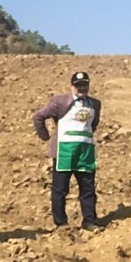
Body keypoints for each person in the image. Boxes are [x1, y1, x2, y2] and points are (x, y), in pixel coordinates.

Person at [32, 71, 102, 231]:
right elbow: (38, 116)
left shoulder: (95, 104)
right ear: (71, 86)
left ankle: (89, 221)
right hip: (64, 151)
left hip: (85, 152)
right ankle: (61, 223)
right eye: (78, 85)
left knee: (88, 188)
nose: (82, 88)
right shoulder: (60, 102)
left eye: (85, 84)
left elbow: (93, 124)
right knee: (60, 189)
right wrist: (45, 137)